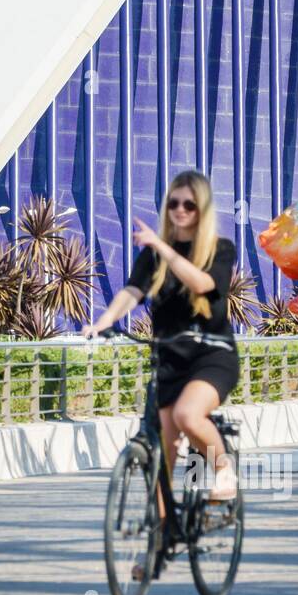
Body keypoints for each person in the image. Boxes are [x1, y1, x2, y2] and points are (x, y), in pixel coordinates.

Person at [84, 169, 240, 505]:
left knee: (187, 414)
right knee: (162, 454)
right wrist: (104, 321)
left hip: (211, 356)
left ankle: (224, 469)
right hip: (170, 358)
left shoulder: (220, 249)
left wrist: (163, 248)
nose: (180, 210)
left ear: (202, 209)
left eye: (189, 204)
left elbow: (202, 284)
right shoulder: (155, 254)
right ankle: (159, 542)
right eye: (173, 203)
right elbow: (132, 290)